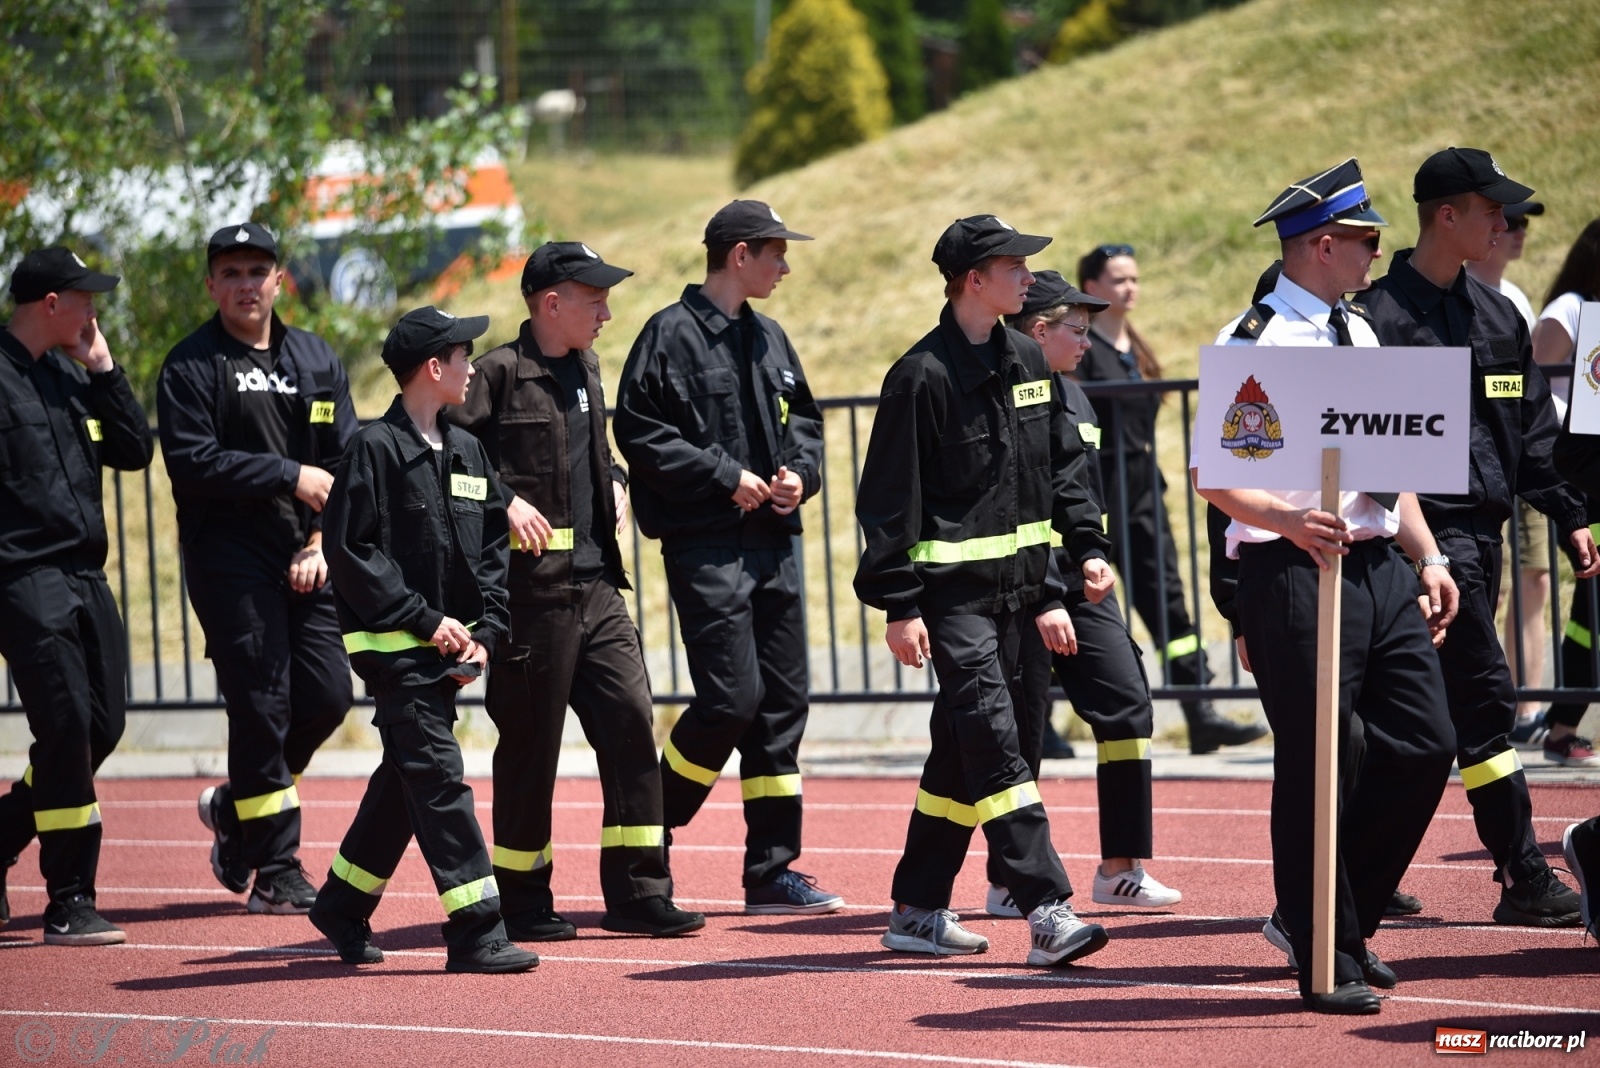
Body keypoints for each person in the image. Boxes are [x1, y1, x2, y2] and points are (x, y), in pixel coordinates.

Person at [1197, 159, 1460, 1014]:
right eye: (1365, 241)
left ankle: (1337, 921)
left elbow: (1394, 470)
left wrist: (1429, 557)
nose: (1376, 256)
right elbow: (1216, 474)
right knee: (1319, 760)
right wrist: (1285, 520)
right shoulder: (1256, 339)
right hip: (1298, 567)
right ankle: (1324, 949)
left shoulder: (1364, 333)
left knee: (1424, 744)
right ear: (1321, 245)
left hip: (1378, 565)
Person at [855, 216, 1113, 966]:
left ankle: (915, 908)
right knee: (997, 748)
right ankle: (1047, 910)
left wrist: (1077, 561)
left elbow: (1058, 469)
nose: (1028, 277)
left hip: (1024, 599)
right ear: (974, 279)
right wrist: (900, 605)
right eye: (1014, 266)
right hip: (952, 604)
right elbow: (887, 502)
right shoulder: (921, 375)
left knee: (966, 758)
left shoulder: (1029, 357)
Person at [1359, 147, 1594, 927]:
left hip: (1480, 541)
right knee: (1483, 700)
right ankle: (1523, 873)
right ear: (1445, 216)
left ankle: (1362, 865)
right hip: (1410, 543)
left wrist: (1569, 512)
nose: (1506, 221)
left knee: (1412, 719)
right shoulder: (1374, 320)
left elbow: (1529, 433)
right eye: (1490, 208)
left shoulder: (1499, 315)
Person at [451, 242, 705, 939]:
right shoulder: (495, 374)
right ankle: (524, 899)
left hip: (598, 592)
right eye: (594, 298)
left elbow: (596, 456)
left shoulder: (589, 367)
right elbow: (446, 460)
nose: (607, 311)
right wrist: (500, 501)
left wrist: (617, 482)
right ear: (550, 303)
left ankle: (637, 892)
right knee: (532, 749)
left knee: (630, 725)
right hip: (530, 600)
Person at [614, 200, 842, 915]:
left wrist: (798, 476)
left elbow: (805, 422)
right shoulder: (668, 335)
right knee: (731, 701)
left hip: (774, 544)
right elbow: (639, 432)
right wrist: (724, 475)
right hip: (706, 545)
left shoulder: (771, 338)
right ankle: (649, 827)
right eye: (775, 252)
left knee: (781, 707)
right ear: (737, 255)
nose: (785, 265)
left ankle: (771, 872)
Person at [308, 305, 536, 974]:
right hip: (395, 652)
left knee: (406, 781)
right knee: (439, 778)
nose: (473, 368)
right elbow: (353, 554)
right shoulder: (372, 449)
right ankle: (477, 929)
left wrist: (485, 634)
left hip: (446, 650)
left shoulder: (467, 451)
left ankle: (342, 905)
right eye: (464, 357)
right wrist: (424, 619)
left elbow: (491, 548)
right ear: (434, 368)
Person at [157, 223, 357, 915]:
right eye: (231, 272)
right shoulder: (189, 366)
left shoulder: (315, 359)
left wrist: (322, 543)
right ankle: (275, 870)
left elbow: (344, 465)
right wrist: (288, 473)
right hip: (228, 561)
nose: (246, 283)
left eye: (258, 270)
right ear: (212, 285)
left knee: (329, 697)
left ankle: (237, 815)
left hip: (305, 556)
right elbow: (192, 461)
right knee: (262, 705)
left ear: (280, 279)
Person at [985, 271, 1181, 916]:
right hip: (1018, 587)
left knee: (1127, 704)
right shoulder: (1001, 395)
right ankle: (1010, 879)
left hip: (1080, 584)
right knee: (1022, 732)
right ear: (1038, 331)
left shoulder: (1080, 396)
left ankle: (1121, 868)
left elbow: (1079, 495)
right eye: (1076, 328)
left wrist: (1094, 556)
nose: (1087, 339)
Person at [0, 247, 153, 945]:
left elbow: (133, 448)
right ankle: (69, 898)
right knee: (63, 730)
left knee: (103, 727)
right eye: (84, 296)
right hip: (22, 577)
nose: (95, 308)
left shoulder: (71, 374)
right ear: (49, 302)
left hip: (87, 576)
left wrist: (106, 369)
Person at [1077, 243, 1268, 753]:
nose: (1130, 287)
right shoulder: (1081, 355)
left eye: (1134, 278)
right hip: (1101, 496)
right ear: (1091, 288)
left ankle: (1198, 710)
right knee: (1084, 604)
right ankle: (1048, 718)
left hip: (1144, 495)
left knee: (1169, 602)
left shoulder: (1132, 350)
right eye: (1118, 280)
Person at [1466, 201, 1552, 744]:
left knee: (1535, 582)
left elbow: (1519, 394)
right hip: (1477, 473)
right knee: (1483, 593)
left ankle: (1530, 711)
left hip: (1521, 467)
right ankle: (1486, 708)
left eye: (1519, 223)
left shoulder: (1513, 301)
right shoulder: (1455, 296)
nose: (1515, 232)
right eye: (1508, 220)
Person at [1532, 218, 1600, 767]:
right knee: (1589, 610)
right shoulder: (1574, 310)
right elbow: (1523, 388)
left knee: (1589, 612)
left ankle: (1561, 722)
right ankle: (1560, 725)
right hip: (1581, 482)